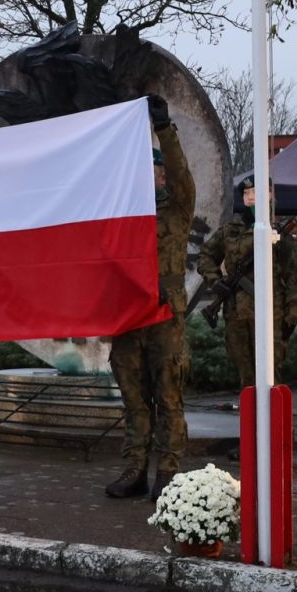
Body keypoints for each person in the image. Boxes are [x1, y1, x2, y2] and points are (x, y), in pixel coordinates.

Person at [106, 95, 194, 501]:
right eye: (147, 170)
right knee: (134, 398)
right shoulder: (120, 216)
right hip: (127, 315)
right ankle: (135, 468)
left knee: (168, 395)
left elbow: (182, 180)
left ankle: (169, 471)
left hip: (164, 316)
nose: (154, 176)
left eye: (157, 171)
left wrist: (165, 130)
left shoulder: (175, 212)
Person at [198, 175, 297, 387]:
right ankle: (250, 419)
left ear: (269, 195)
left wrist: (292, 315)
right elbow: (205, 256)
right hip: (236, 314)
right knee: (246, 378)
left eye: (255, 193)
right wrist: (215, 281)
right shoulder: (229, 231)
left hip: (269, 316)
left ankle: (269, 420)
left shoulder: (276, 234)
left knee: (269, 378)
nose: (250, 198)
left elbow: (295, 275)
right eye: (246, 194)